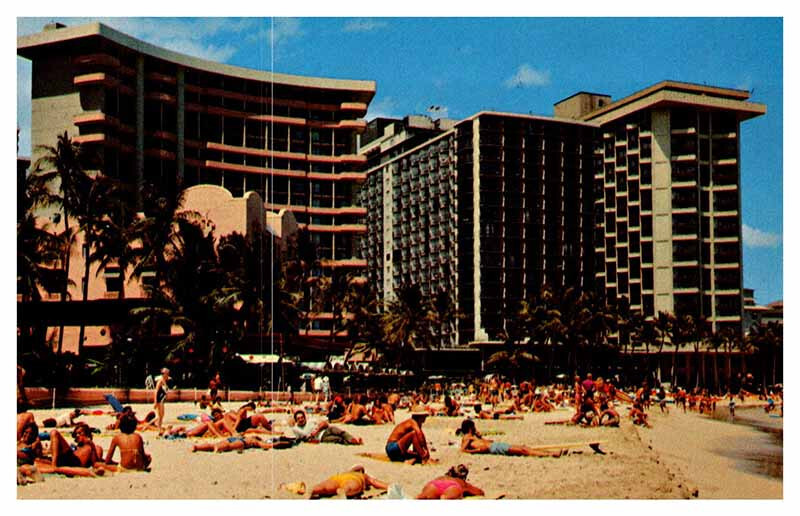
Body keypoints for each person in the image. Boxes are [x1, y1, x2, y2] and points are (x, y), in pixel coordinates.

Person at [457, 419, 563, 457]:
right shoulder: (468, 437)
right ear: (470, 427)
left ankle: (551, 453)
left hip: (494, 446)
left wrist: (480, 437)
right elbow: (463, 450)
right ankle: (552, 454)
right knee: (523, 450)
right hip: (494, 448)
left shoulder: (472, 436)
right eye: (474, 426)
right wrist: (477, 451)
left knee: (523, 448)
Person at [309, 465, 389, 499]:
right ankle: (344, 490)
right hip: (353, 479)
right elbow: (374, 482)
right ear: (362, 471)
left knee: (326, 487)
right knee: (350, 486)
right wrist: (388, 486)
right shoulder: (363, 476)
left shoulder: (344, 473)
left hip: (337, 478)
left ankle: (314, 489)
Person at [290, 409, 363, 445]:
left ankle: (353, 440)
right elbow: (302, 439)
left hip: (326, 430)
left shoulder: (311, 421)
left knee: (339, 431)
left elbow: (325, 423)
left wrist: (317, 430)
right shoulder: (297, 429)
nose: (301, 419)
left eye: (302, 417)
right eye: (298, 418)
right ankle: (353, 443)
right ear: (296, 420)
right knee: (338, 439)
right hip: (322, 438)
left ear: (305, 417)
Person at [416, 464, 485, 499]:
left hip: (434, 485)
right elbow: (480, 492)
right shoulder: (461, 482)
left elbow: (425, 488)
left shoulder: (441, 477)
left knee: (421, 497)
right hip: (452, 487)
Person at [192, 434, 295, 453]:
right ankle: (217, 449)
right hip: (242, 442)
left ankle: (197, 447)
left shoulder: (252, 437)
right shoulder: (256, 441)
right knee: (227, 447)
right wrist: (287, 444)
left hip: (234, 438)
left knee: (214, 444)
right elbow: (271, 445)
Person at [153, 367, 170, 432]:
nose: (167, 375)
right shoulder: (160, 381)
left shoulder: (164, 380)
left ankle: (158, 427)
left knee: (161, 415)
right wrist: (155, 401)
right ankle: (159, 428)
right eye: (167, 373)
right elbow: (156, 391)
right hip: (159, 399)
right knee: (160, 415)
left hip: (161, 399)